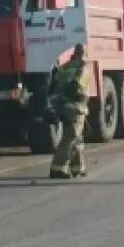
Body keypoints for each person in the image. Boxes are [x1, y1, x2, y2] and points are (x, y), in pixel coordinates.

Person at [48, 44, 90, 179]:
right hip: (76, 106)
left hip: (63, 106)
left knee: (76, 137)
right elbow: (77, 86)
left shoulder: (66, 66)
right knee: (70, 137)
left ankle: (78, 168)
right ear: (84, 53)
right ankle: (57, 168)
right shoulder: (82, 68)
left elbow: (54, 84)